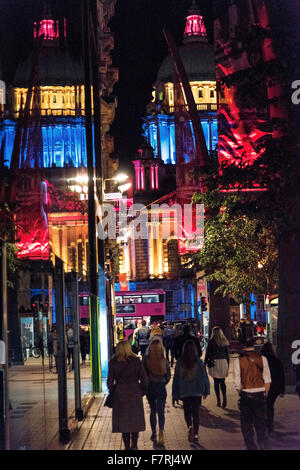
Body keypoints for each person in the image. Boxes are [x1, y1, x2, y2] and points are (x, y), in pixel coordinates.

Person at [107, 340, 148, 450]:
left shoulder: (113, 362)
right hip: (134, 393)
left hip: (120, 396)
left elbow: (109, 382)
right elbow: (144, 379)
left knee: (124, 422)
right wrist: (142, 391)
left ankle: (126, 446)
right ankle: (134, 445)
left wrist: (114, 392)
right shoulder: (136, 361)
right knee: (135, 420)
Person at [233, 336, 271, 450]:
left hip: (246, 394)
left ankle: (251, 446)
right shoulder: (262, 358)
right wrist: (265, 394)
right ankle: (262, 443)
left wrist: (241, 392)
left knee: (246, 424)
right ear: (253, 346)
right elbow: (267, 380)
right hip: (260, 393)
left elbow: (237, 382)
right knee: (261, 422)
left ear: (243, 347)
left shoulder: (238, 360)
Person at [172, 340, 210, 448]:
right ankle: (196, 434)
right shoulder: (199, 362)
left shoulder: (180, 362)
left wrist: (175, 393)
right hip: (197, 391)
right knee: (196, 413)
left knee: (187, 412)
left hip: (185, 391)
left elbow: (176, 379)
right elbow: (205, 377)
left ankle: (189, 426)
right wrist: (206, 390)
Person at [143, 339, 171, 447]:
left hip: (150, 387)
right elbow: (168, 376)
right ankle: (161, 432)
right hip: (161, 387)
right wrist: (163, 383)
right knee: (161, 411)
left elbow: (143, 374)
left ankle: (153, 432)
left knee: (152, 410)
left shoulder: (146, 360)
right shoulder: (164, 360)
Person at [261, 342, 285, 435]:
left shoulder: (261, 361)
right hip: (275, 387)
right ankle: (270, 425)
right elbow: (281, 376)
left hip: (263, 386)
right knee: (270, 405)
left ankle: (264, 425)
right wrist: (282, 389)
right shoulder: (276, 361)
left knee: (263, 406)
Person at [205, 326, 230, 408]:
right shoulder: (224, 341)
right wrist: (228, 364)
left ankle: (218, 400)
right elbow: (227, 354)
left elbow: (208, 353)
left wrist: (205, 363)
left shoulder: (211, 341)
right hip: (223, 362)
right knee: (222, 381)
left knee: (216, 382)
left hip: (215, 362)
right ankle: (225, 398)